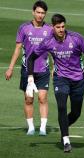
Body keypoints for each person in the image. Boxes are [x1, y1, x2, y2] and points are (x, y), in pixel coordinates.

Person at [27, 14, 84, 152]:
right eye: (58, 27)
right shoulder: (48, 41)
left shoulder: (76, 38)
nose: (61, 29)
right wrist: (30, 78)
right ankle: (66, 140)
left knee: (76, 112)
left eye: (63, 26)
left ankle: (63, 127)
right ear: (52, 27)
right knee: (61, 106)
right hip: (60, 78)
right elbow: (31, 58)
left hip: (79, 79)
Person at [5, 1, 52, 136]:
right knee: (28, 99)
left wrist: (56, 67)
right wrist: (10, 68)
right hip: (27, 69)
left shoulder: (49, 30)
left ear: (45, 14)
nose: (40, 15)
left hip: (43, 69)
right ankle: (31, 127)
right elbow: (17, 49)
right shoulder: (24, 28)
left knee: (43, 98)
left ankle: (43, 128)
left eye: (43, 13)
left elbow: (53, 49)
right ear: (33, 12)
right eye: (38, 12)